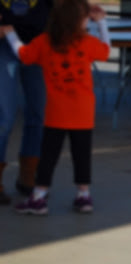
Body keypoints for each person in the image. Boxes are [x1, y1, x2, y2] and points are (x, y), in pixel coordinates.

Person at [2, 0, 110, 215]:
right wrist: (102, 22)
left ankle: (39, 196)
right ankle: (83, 195)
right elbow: (106, 51)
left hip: (56, 114)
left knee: (48, 157)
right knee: (82, 156)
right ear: (79, 22)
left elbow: (23, 54)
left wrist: (10, 33)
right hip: (83, 114)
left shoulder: (44, 42)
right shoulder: (87, 42)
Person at [0, 0, 52, 204]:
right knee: (4, 116)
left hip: (38, 41)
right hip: (3, 42)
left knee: (38, 113)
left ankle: (28, 175)